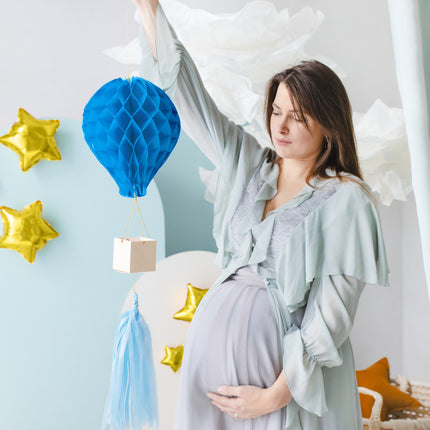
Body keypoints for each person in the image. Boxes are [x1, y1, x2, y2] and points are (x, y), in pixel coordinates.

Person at [133, 1, 390, 429]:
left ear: (329, 124)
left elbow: (332, 316)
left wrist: (273, 395)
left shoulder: (348, 200)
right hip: (208, 372)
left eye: (298, 116)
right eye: (276, 111)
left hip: (280, 386)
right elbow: (192, 100)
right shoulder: (250, 164)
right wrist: (149, 12)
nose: (281, 127)